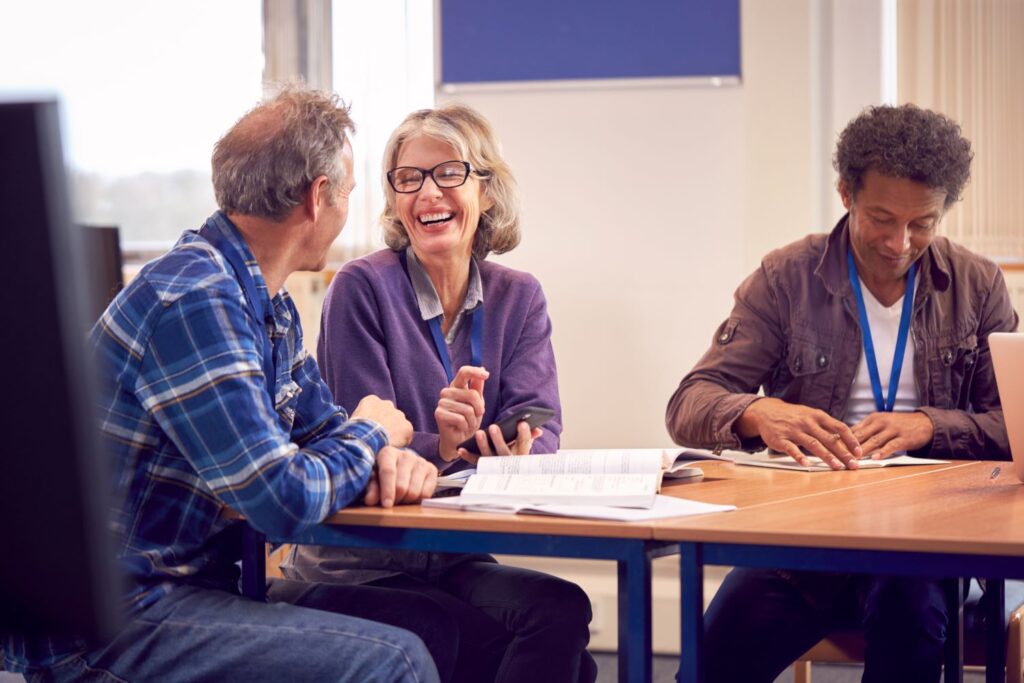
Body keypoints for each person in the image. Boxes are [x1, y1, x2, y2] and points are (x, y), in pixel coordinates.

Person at [4, 87, 452, 683]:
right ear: (318, 199)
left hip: (195, 593)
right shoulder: (195, 298)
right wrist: (374, 433)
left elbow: (322, 434)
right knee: (396, 660)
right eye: (347, 192)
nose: (348, 208)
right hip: (113, 624)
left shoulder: (269, 304)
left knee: (433, 623)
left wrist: (386, 453)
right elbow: (280, 499)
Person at [666, 104, 1018, 682]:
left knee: (911, 614)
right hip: (808, 541)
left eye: (922, 223)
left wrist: (930, 425)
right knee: (710, 663)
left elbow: (1013, 423)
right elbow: (689, 404)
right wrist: (759, 412)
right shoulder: (786, 278)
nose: (900, 242)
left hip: (928, 539)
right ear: (846, 194)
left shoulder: (977, 284)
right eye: (881, 217)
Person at [280, 103, 597, 683]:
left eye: (449, 172)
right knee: (492, 646)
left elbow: (543, 427)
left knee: (563, 611)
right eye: (409, 179)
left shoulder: (518, 296)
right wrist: (445, 446)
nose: (429, 193)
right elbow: (370, 445)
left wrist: (518, 449)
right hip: (360, 562)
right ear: (395, 199)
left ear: (488, 191)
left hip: (453, 554)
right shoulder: (362, 287)